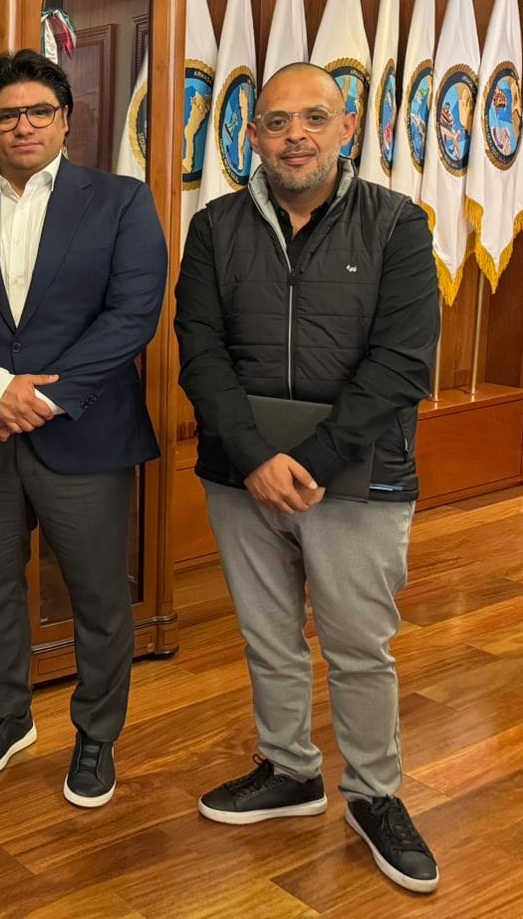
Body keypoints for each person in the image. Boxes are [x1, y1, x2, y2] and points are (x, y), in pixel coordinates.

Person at [175, 62, 441, 894]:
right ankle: (289, 770)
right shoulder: (215, 226)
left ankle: (374, 794)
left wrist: (314, 461)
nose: (297, 135)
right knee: (268, 636)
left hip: (358, 477)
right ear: (253, 136)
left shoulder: (398, 224)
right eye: (278, 121)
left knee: (360, 646)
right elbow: (199, 352)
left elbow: (402, 363)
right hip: (241, 477)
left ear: (347, 127)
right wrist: (256, 457)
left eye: (315, 118)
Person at [0, 48, 166, 808]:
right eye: (8, 115)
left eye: (40, 112)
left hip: (83, 433)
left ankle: (96, 736)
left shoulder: (121, 201)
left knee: (99, 598)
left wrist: (41, 400)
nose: (25, 126)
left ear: (66, 120)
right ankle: (8, 716)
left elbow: (132, 315)